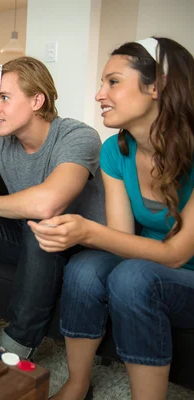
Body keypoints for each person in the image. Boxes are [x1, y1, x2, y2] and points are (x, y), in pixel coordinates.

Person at [29, 38, 194, 400]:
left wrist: (87, 229)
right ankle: (76, 384)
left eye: (113, 82)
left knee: (133, 277)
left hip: (186, 273)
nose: (99, 94)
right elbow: (120, 237)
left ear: (157, 86)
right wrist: (77, 234)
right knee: (86, 267)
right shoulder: (114, 151)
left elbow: (178, 254)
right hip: (149, 261)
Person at [0, 57, 105, 358]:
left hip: (82, 245)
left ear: (37, 100)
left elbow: (48, 203)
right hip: (35, 242)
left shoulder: (77, 136)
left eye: (4, 98)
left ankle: (15, 347)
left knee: (42, 222)